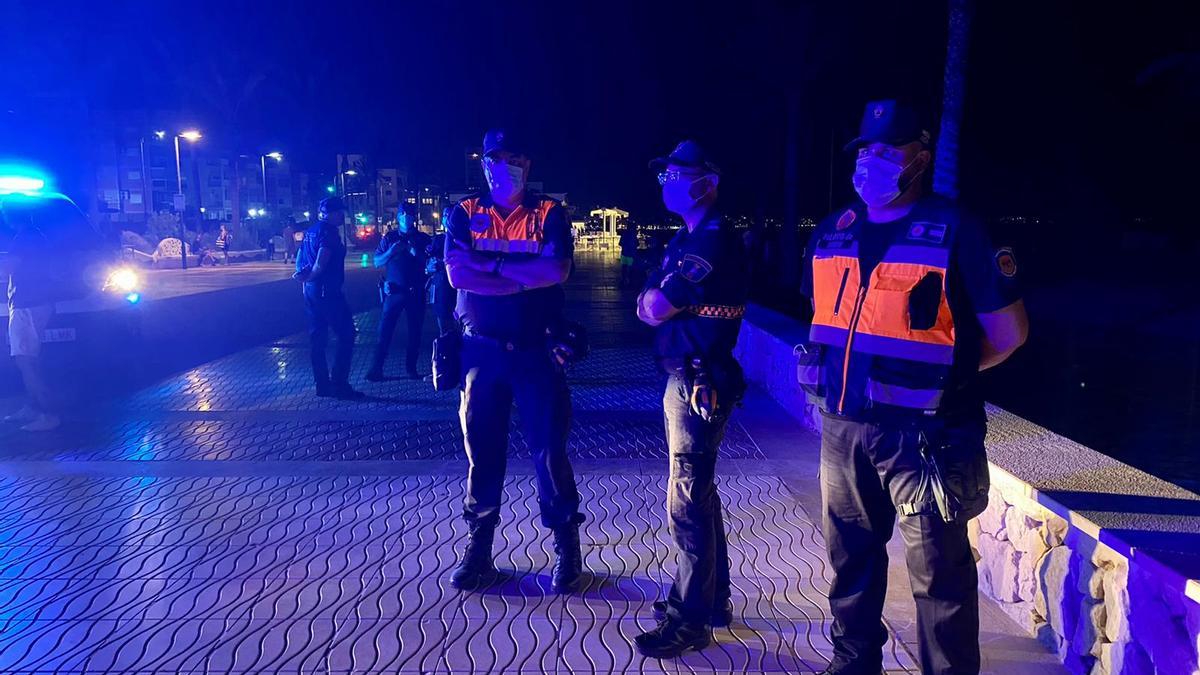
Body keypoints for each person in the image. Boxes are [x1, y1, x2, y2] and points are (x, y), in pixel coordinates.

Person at [801, 100, 1028, 675]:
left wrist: (943, 380)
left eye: (885, 150)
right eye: (863, 151)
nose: (869, 161)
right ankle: (853, 665)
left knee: (939, 577)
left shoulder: (959, 230)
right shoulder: (834, 230)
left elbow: (1009, 333)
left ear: (919, 157)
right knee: (851, 559)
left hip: (926, 437)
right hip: (844, 427)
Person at [443, 128, 584, 595]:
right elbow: (457, 272)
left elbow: (556, 270)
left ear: (529, 163)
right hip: (479, 351)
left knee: (549, 451)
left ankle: (567, 548)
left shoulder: (549, 212)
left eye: (515, 157)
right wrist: (522, 277)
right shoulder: (464, 212)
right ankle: (478, 551)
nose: (506, 166)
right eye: (497, 157)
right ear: (483, 162)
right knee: (481, 452)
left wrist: (492, 270)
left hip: (536, 351)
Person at [633, 140, 748, 658]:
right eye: (667, 175)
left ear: (708, 182)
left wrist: (657, 303)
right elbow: (649, 302)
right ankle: (712, 599)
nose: (669, 183)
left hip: (700, 381)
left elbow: (657, 303)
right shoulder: (685, 237)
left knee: (686, 500)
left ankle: (690, 620)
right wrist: (655, 303)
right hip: (684, 376)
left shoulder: (714, 240)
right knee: (699, 494)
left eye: (679, 175)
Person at [293, 197, 364, 400]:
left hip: (312, 293)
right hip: (328, 293)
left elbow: (300, 256)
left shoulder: (311, 231)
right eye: (339, 212)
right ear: (328, 213)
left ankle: (322, 385)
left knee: (318, 339)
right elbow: (320, 263)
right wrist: (311, 277)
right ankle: (339, 384)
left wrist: (304, 280)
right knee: (347, 334)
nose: (342, 215)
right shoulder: (328, 233)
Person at [0, 203, 61, 431]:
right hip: (35, 303)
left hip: (27, 306)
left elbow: (8, 268)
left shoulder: (24, 238)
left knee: (26, 361)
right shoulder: (35, 236)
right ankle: (33, 407)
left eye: (5, 213)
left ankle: (48, 415)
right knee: (27, 359)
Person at [367, 202, 430, 381]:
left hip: (415, 292)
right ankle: (376, 369)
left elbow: (429, 263)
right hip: (393, 292)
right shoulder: (390, 238)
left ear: (414, 217)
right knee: (384, 331)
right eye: (402, 214)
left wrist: (412, 250)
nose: (405, 218)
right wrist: (391, 251)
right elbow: (377, 261)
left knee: (415, 333)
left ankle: (412, 369)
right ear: (398, 217)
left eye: (409, 215)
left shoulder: (423, 239)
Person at [426, 207, 457, 336]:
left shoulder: (463, 239)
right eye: (444, 215)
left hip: (458, 287)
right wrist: (429, 267)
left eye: (450, 215)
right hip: (440, 288)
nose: (447, 218)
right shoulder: (437, 240)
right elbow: (427, 263)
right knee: (443, 325)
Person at [619, 222, 639, 286]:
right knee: (629, 268)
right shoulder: (633, 235)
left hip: (624, 253)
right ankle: (628, 280)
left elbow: (620, 243)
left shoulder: (624, 235)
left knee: (624, 267)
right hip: (631, 254)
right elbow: (637, 244)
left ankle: (623, 280)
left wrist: (625, 246)